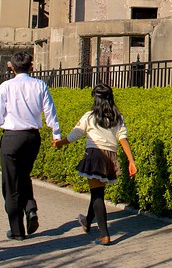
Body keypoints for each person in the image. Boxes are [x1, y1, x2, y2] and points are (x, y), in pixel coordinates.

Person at [0, 51, 61, 241]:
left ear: (11, 67)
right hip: (32, 137)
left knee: (10, 184)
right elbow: (49, 110)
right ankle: (30, 208)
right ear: (31, 66)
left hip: (11, 137)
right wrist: (56, 134)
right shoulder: (40, 85)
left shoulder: (6, 87)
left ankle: (17, 230)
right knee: (24, 175)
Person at [52, 84, 137, 245]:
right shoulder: (118, 117)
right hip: (110, 157)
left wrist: (60, 143)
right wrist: (131, 161)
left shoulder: (89, 116)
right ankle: (87, 221)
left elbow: (75, 135)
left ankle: (104, 234)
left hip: (94, 155)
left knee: (97, 194)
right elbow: (123, 138)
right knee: (97, 191)